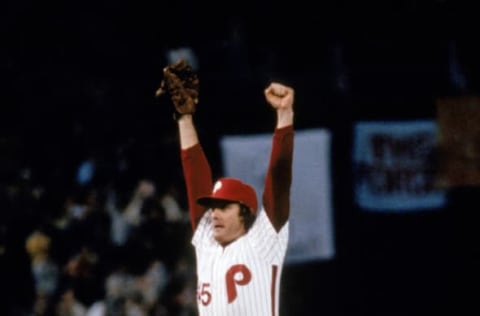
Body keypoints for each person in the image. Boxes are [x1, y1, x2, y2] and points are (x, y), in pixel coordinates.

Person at [158, 61, 294, 316]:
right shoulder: (207, 243)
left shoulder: (263, 241)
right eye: (212, 207)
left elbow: (279, 179)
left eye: (223, 206)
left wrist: (285, 116)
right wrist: (184, 118)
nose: (214, 213)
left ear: (244, 212)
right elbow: (195, 179)